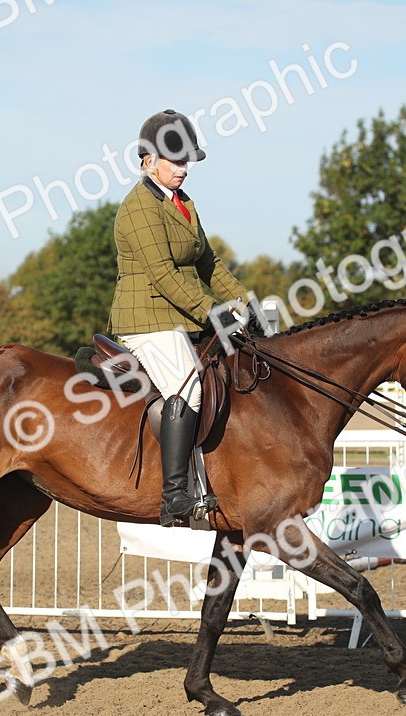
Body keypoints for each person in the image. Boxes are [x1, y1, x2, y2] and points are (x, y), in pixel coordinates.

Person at [108, 109, 263, 526]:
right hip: (146, 318)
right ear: (149, 160)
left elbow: (209, 265)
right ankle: (174, 495)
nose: (184, 169)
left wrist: (246, 304)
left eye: (186, 162)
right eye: (177, 161)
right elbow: (163, 273)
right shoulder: (139, 207)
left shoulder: (184, 204)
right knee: (188, 386)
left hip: (178, 314)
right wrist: (213, 312)